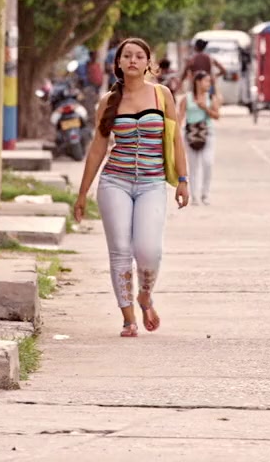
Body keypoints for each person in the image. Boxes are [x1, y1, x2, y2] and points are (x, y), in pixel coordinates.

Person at [74, 39, 189, 338]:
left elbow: (175, 139)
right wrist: (82, 193)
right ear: (119, 63)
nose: (133, 60)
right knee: (120, 251)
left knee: (149, 251)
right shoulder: (108, 101)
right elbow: (98, 149)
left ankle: (145, 297)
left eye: (139, 56)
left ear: (149, 62)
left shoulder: (162, 95)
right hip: (115, 182)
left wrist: (183, 180)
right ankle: (128, 319)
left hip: (152, 183)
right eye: (127, 56)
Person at [180, 71, 221, 206]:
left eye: (209, 81)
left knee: (208, 162)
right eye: (206, 81)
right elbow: (180, 117)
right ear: (198, 82)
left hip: (207, 132)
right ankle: (194, 196)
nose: (209, 84)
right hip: (191, 133)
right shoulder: (187, 98)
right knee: (193, 165)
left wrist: (205, 108)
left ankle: (205, 193)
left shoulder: (211, 97)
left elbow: (217, 116)